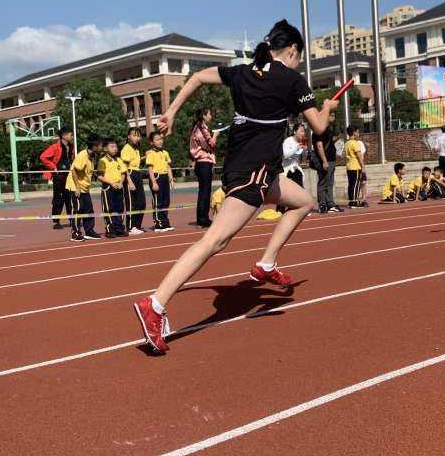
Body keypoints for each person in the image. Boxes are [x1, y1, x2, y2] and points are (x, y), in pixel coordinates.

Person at [132, 19, 337, 354]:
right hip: (254, 171)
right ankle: (154, 305)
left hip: (249, 169)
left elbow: (197, 77)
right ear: (293, 51)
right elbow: (318, 127)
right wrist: (326, 108)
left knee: (303, 201)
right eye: (300, 57)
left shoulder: (244, 71)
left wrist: (170, 110)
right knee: (215, 240)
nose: (300, 63)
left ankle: (266, 264)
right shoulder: (293, 79)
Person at [66, 134, 103, 242]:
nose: (102, 147)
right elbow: (74, 170)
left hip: (85, 188)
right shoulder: (82, 155)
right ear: (94, 146)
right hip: (75, 187)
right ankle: (75, 233)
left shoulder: (93, 156)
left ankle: (89, 231)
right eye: (100, 145)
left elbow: (88, 172)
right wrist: (77, 187)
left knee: (89, 209)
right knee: (78, 210)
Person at [189, 108, 219, 229]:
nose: (211, 116)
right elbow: (211, 144)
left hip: (202, 163)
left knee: (204, 191)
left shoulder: (198, 128)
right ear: (204, 116)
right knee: (205, 192)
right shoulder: (201, 129)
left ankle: (203, 218)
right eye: (209, 114)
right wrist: (216, 135)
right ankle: (202, 219)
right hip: (203, 162)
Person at [39, 127, 74, 230]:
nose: (72, 137)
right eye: (70, 135)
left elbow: (71, 159)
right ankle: (56, 221)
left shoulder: (71, 147)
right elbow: (43, 157)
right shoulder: (55, 147)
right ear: (64, 136)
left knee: (69, 198)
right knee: (58, 198)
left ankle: (71, 219)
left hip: (68, 175)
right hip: (58, 176)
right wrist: (53, 167)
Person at [97, 138, 128, 238]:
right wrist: (111, 183)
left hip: (119, 187)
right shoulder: (103, 161)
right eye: (112, 146)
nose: (115, 149)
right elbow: (99, 176)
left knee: (119, 208)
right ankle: (110, 229)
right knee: (109, 209)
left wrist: (121, 182)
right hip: (108, 188)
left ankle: (120, 228)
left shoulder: (119, 160)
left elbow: (123, 173)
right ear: (106, 149)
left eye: (116, 146)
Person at [312, 112, 341, 213]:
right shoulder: (320, 129)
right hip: (325, 160)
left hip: (331, 160)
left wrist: (335, 139)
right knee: (323, 182)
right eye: (332, 115)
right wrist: (324, 161)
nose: (333, 117)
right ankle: (322, 205)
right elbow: (319, 145)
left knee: (330, 182)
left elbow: (326, 142)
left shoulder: (327, 128)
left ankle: (330, 204)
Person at [146, 131, 174, 231]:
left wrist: (171, 178)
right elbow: (150, 169)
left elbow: (168, 166)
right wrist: (153, 182)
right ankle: (158, 223)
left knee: (166, 201)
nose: (160, 141)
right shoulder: (151, 153)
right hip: (156, 177)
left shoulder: (165, 152)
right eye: (157, 139)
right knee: (158, 201)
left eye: (161, 139)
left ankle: (165, 222)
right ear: (151, 142)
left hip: (165, 177)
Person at [120, 127, 146, 234]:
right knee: (131, 202)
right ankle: (130, 227)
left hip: (137, 173)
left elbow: (136, 162)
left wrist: (145, 156)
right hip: (129, 174)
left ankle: (137, 226)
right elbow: (124, 166)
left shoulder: (136, 149)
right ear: (129, 136)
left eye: (138, 135)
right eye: (134, 135)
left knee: (141, 202)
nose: (137, 137)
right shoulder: (126, 148)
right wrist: (129, 181)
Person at [345, 125, 366, 208]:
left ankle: (351, 201)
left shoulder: (347, 143)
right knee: (356, 184)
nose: (358, 134)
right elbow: (359, 156)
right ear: (354, 133)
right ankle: (354, 201)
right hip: (355, 166)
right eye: (357, 132)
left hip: (349, 166)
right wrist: (363, 166)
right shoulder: (355, 143)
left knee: (351, 184)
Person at [282, 122, 306, 187]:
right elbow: (285, 155)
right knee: (297, 176)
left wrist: (305, 151)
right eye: (301, 131)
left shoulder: (300, 142)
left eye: (304, 131)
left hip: (296, 168)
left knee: (298, 175)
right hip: (287, 168)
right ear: (295, 131)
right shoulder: (288, 141)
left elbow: (300, 159)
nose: (303, 133)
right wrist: (296, 149)